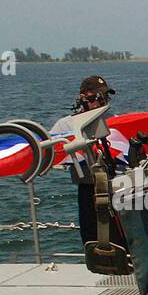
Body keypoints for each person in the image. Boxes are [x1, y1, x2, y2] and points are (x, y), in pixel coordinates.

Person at [48, 75, 128, 249]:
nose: (102, 102)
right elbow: (45, 149)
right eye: (97, 98)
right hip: (87, 190)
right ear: (83, 98)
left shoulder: (115, 121)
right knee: (92, 240)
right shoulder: (66, 125)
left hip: (118, 188)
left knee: (124, 241)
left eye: (105, 97)